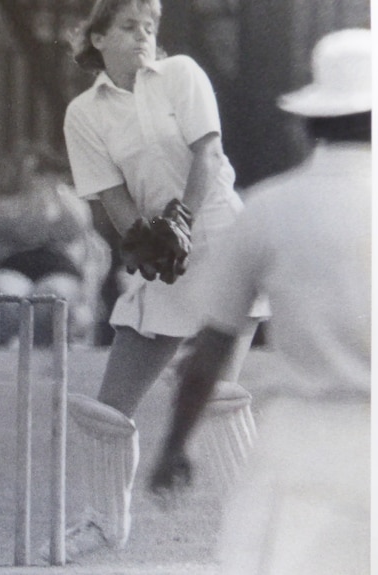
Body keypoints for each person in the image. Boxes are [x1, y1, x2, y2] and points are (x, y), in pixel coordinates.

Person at [149, 28, 371, 575]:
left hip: (300, 441)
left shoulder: (270, 208)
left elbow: (213, 345)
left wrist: (175, 445)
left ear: (310, 123)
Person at [58, 0, 261, 560]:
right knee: (106, 412)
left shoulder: (180, 74)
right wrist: (142, 240)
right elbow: (111, 195)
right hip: (168, 255)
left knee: (218, 397)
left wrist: (181, 221)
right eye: (128, 26)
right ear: (96, 38)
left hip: (221, 242)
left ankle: (256, 536)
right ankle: (103, 523)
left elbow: (209, 154)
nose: (143, 35)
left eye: (151, 25)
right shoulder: (84, 112)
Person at [0, 150, 107, 345]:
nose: (39, 179)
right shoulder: (7, 203)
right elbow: (20, 228)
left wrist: (59, 193)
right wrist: (34, 201)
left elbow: (81, 224)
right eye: (34, 173)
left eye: (42, 172)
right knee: (4, 292)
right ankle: (9, 352)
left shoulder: (70, 201)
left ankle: (50, 352)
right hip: (14, 267)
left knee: (55, 293)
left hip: (59, 269)